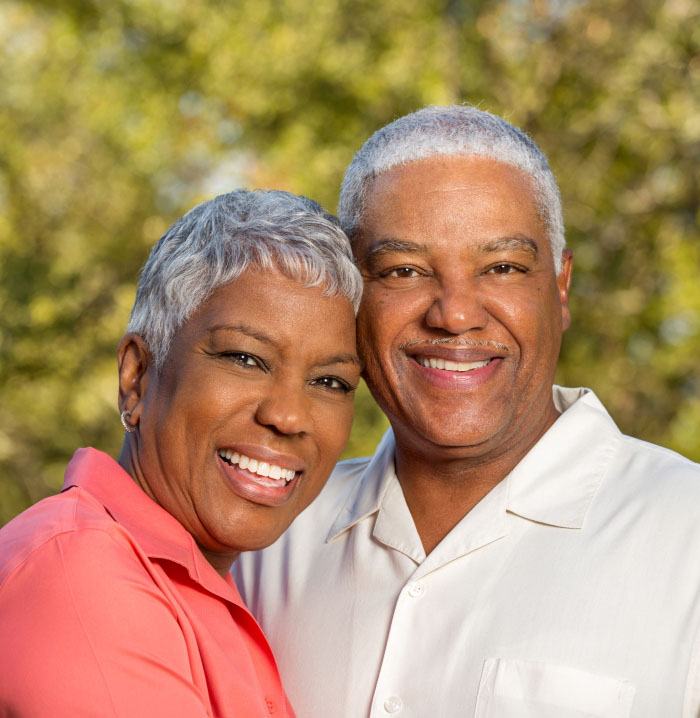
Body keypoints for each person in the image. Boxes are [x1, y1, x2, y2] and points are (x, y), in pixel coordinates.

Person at [234, 106, 700, 717]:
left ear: (560, 288)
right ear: (350, 295)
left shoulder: (686, 537)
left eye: (501, 267)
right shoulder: (266, 539)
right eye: (404, 270)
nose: (454, 314)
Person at [0, 189, 363, 717]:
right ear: (137, 376)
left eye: (330, 381)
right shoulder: (79, 571)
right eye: (245, 358)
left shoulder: (209, 587)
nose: (289, 416)